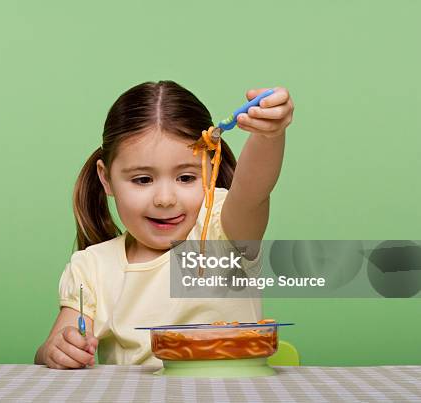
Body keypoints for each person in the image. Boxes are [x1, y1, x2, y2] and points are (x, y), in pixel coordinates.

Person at [34, 80, 294, 369]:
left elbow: (253, 192)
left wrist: (269, 136)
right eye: (142, 179)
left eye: (186, 178)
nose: (165, 199)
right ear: (106, 178)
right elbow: (55, 346)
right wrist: (57, 350)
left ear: (210, 170)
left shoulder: (223, 228)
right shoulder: (91, 267)